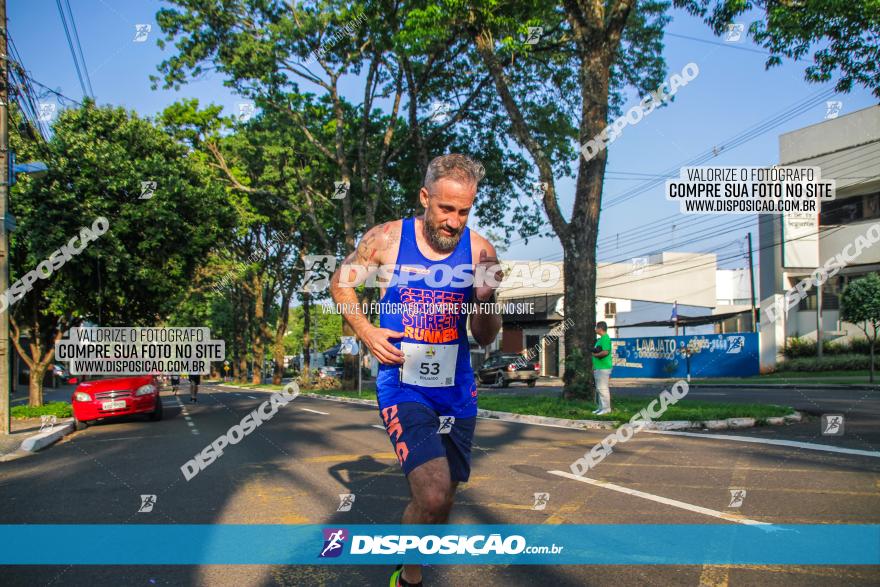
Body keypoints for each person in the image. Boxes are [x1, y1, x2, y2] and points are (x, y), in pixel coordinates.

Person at [330, 154, 503, 587]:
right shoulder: (387, 239)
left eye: (464, 211)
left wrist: (485, 301)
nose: (453, 221)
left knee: (443, 497)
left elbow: (484, 336)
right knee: (431, 491)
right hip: (402, 382)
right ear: (426, 198)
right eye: (446, 209)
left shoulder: (482, 251)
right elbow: (341, 281)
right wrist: (367, 332)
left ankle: (410, 559)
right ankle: (409, 578)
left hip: (456, 388)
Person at [591, 321, 613, 415]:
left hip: (604, 367)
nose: (595, 329)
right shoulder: (599, 340)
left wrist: (595, 355)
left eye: (596, 327)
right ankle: (601, 408)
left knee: (603, 388)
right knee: (599, 389)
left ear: (600, 328)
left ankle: (606, 409)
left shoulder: (605, 338)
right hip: (598, 367)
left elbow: (605, 352)